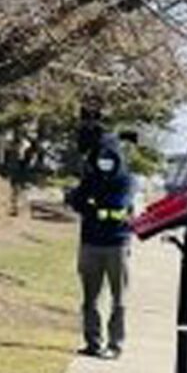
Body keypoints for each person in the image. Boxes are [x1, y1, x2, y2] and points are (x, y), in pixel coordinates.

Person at [66, 130, 134, 358]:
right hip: (90, 244)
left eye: (110, 156)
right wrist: (91, 206)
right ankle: (93, 342)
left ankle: (115, 344)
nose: (105, 161)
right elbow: (75, 199)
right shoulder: (91, 178)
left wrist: (91, 206)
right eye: (101, 157)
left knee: (119, 299)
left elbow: (116, 207)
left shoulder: (126, 180)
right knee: (89, 299)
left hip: (117, 245)